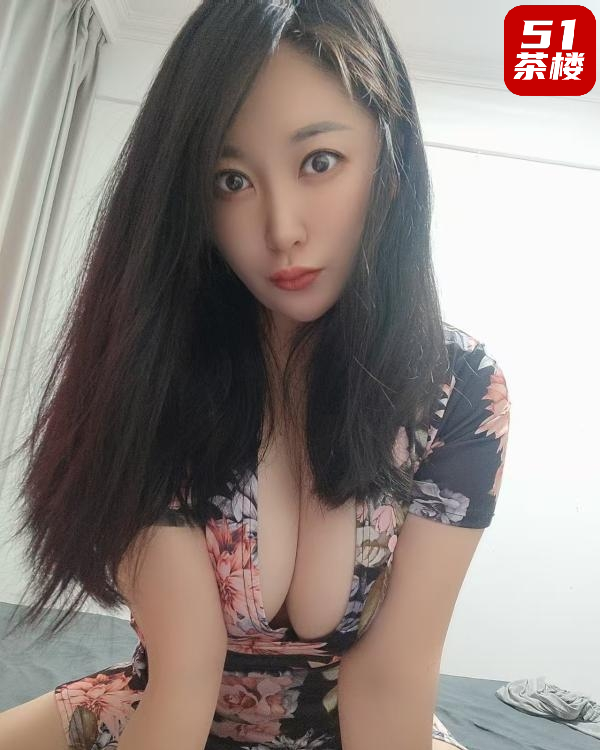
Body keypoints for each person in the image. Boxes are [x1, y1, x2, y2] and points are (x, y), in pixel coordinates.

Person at [0, 1, 511, 749]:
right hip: (167, 703)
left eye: (319, 162)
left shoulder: (460, 390)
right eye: (231, 180)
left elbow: (392, 673)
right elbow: (186, 674)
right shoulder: (152, 373)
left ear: (390, 164)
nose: (281, 230)